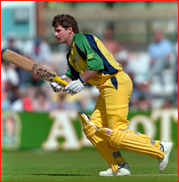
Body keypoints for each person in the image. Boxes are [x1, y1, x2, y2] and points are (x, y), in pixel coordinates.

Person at [50, 14, 173, 176]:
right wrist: (59, 83)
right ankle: (119, 166)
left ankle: (160, 148)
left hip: (115, 81)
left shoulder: (83, 39)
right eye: (54, 31)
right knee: (91, 129)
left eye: (58, 30)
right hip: (105, 87)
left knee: (116, 133)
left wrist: (80, 82)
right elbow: (70, 77)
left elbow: (95, 66)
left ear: (70, 29)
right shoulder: (71, 54)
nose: (55, 34)